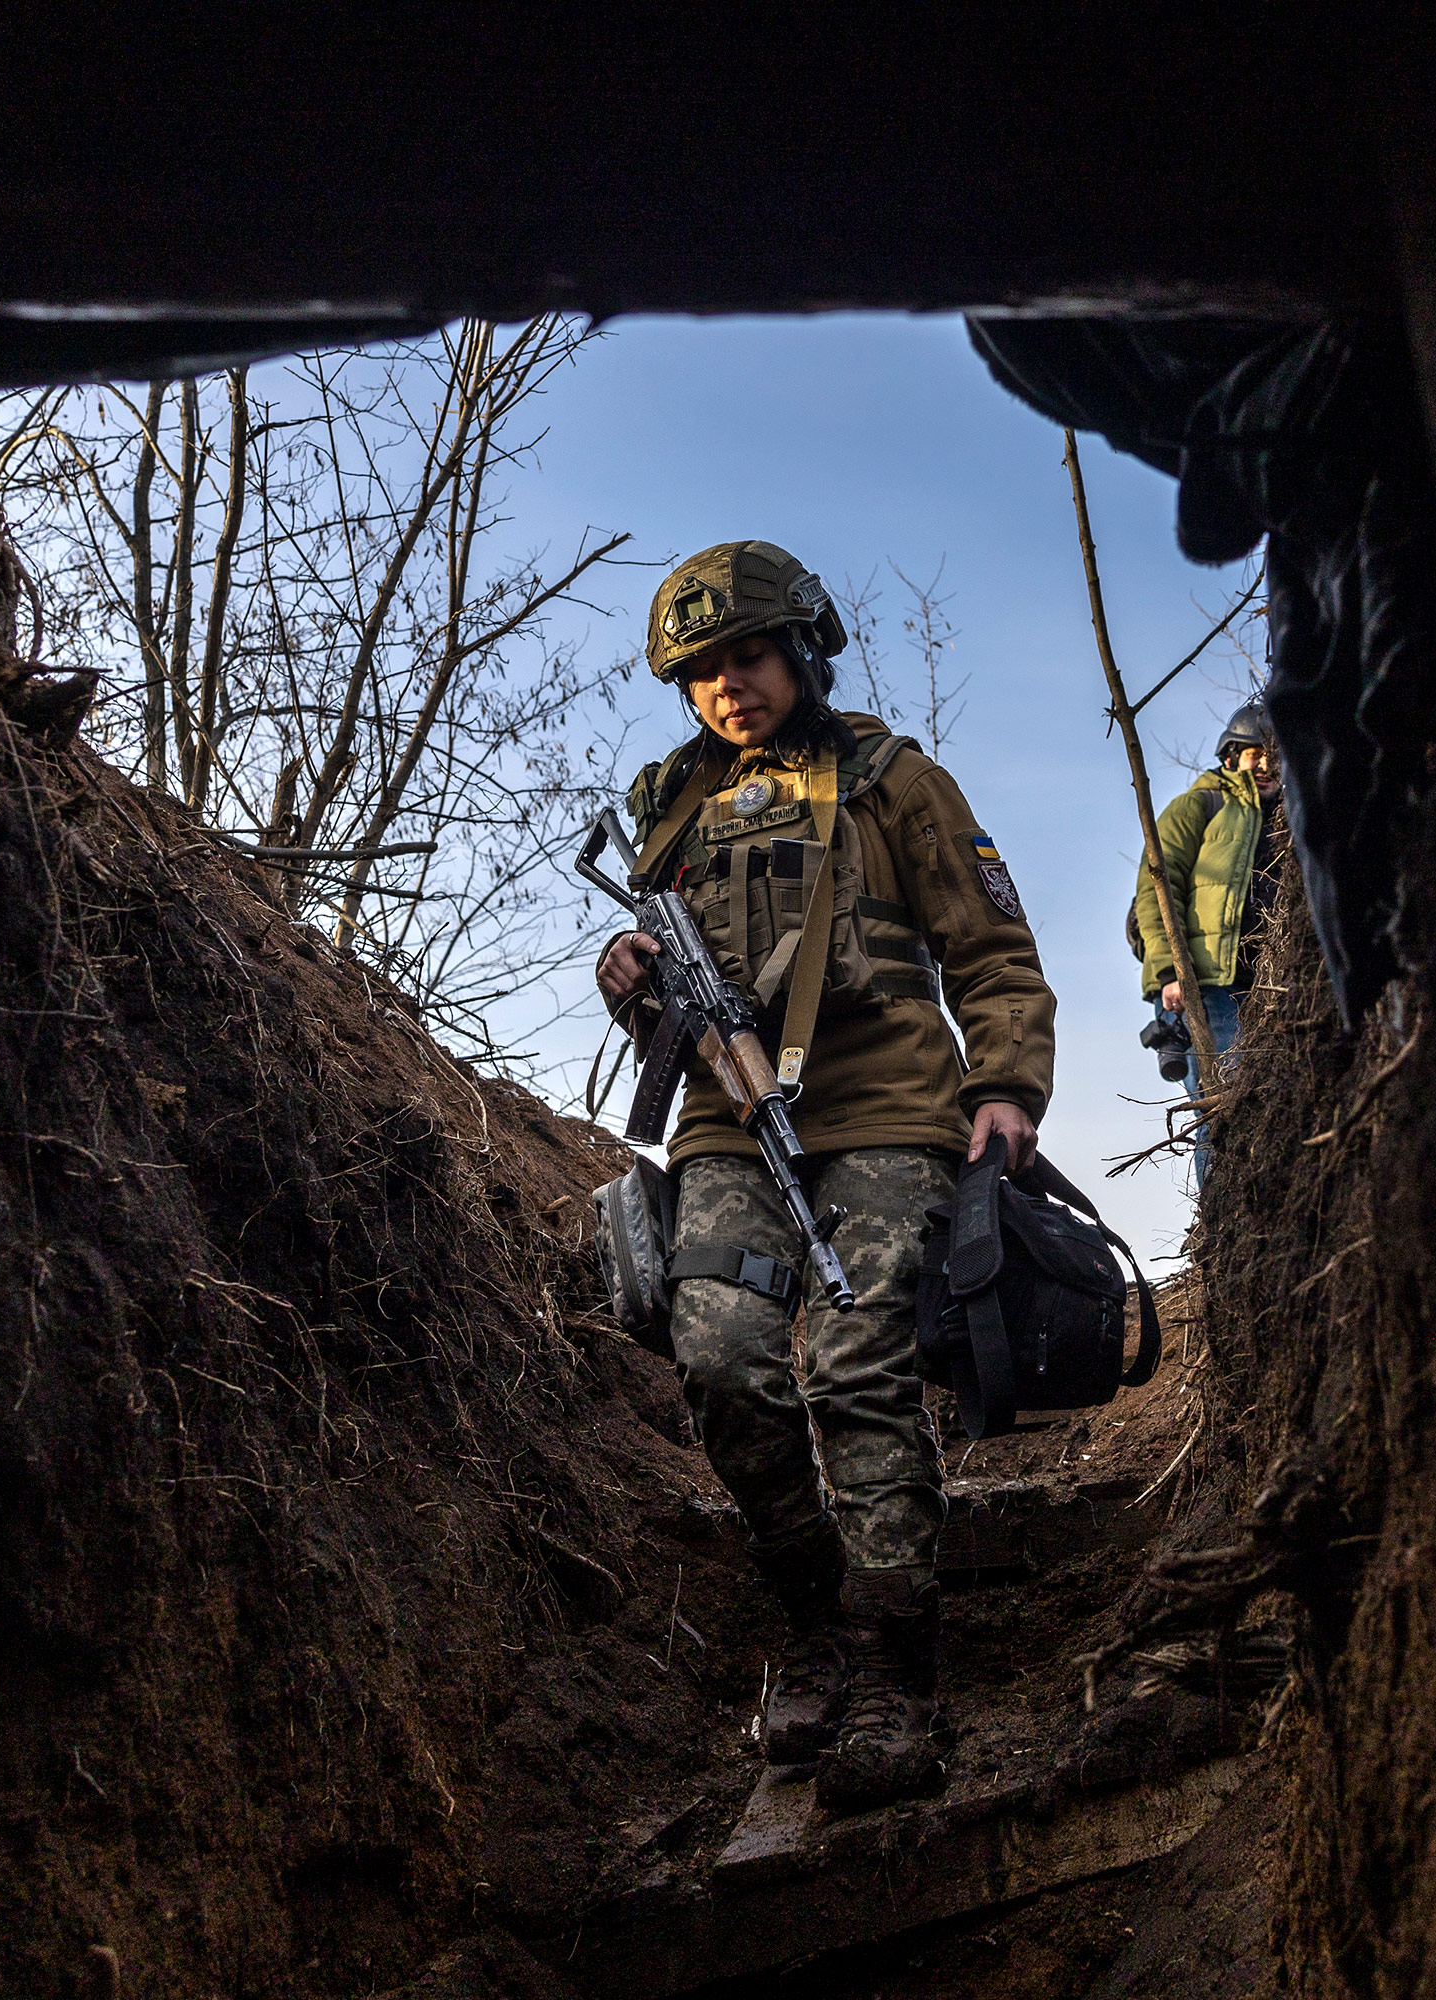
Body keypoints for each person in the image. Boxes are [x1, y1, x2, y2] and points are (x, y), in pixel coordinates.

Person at [595, 540, 1056, 1811]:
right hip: (728, 1118)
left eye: (746, 655)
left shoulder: (896, 781)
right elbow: (669, 982)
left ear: (800, 646)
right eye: (700, 672)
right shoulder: (670, 804)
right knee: (722, 1355)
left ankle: (897, 1663)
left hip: (890, 1102)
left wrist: (1006, 1090)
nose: (727, 686)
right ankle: (812, 1631)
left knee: (858, 1364)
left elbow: (997, 953)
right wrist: (630, 977)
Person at [1132, 701, 1284, 1184]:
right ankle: (1220, 1220)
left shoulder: (1291, 816)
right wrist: (1168, 975)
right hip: (1212, 987)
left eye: (1273, 757)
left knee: (1273, 1102)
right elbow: (1156, 889)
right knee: (1224, 1106)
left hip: (1273, 987)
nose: (1264, 765)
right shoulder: (1199, 806)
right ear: (1230, 756)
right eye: (1253, 754)